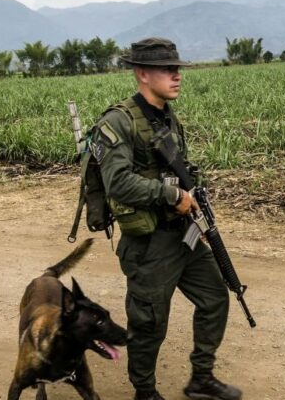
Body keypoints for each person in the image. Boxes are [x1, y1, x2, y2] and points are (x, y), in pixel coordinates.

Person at [93, 37, 242, 400]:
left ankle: (201, 378)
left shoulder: (168, 118)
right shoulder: (118, 122)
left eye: (177, 69)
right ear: (142, 74)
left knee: (215, 298)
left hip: (182, 235)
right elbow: (118, 183)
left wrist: (194, 202)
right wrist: (171, 195)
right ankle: (145, 393)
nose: (177, 76)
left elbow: (180, 171)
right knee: (149, 324)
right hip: (148, 243)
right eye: (167, 70)